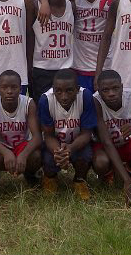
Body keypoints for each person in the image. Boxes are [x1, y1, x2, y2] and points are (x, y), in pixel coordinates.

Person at [39, 69, 97, 200]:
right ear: (53, 90)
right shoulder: (46, 100)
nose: (64, 96)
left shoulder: (86, 96)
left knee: (86, 155)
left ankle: (79, 180)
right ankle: (50, 178)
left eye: (69, 91)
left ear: (77, 89)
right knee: (47, 158)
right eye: (58, 91)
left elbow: (87, 133)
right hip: (56, 143)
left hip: (77, 143)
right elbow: (48, 135)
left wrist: (69, 149)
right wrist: (58, 152)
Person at [0, 70, 42, 191]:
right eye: (4, 87)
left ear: (21, 89)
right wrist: (6, 153)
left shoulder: (28, 103)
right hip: (1, 145)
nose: (9, 91)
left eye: (14, 87)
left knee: (35, 156)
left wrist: (24, 155)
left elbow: (37, 137)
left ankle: (30, 175)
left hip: (21, 144)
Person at [30, 0, 76, 101]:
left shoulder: (72, 7)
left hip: (66, 67)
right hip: (42, 68)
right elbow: (29, 34)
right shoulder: (36, 5)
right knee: (43, 108)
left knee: (65, 108)